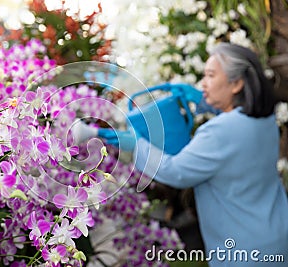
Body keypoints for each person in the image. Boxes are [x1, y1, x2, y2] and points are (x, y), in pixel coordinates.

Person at [100, 42, 288, 266]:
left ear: (236, 83)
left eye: (210, 75)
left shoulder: (219, 132)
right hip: (274, 232)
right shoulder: (263, 119)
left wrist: (137, 144)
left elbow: (176, 172)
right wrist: (204, 102)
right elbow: (236, 124)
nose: (203, 83)